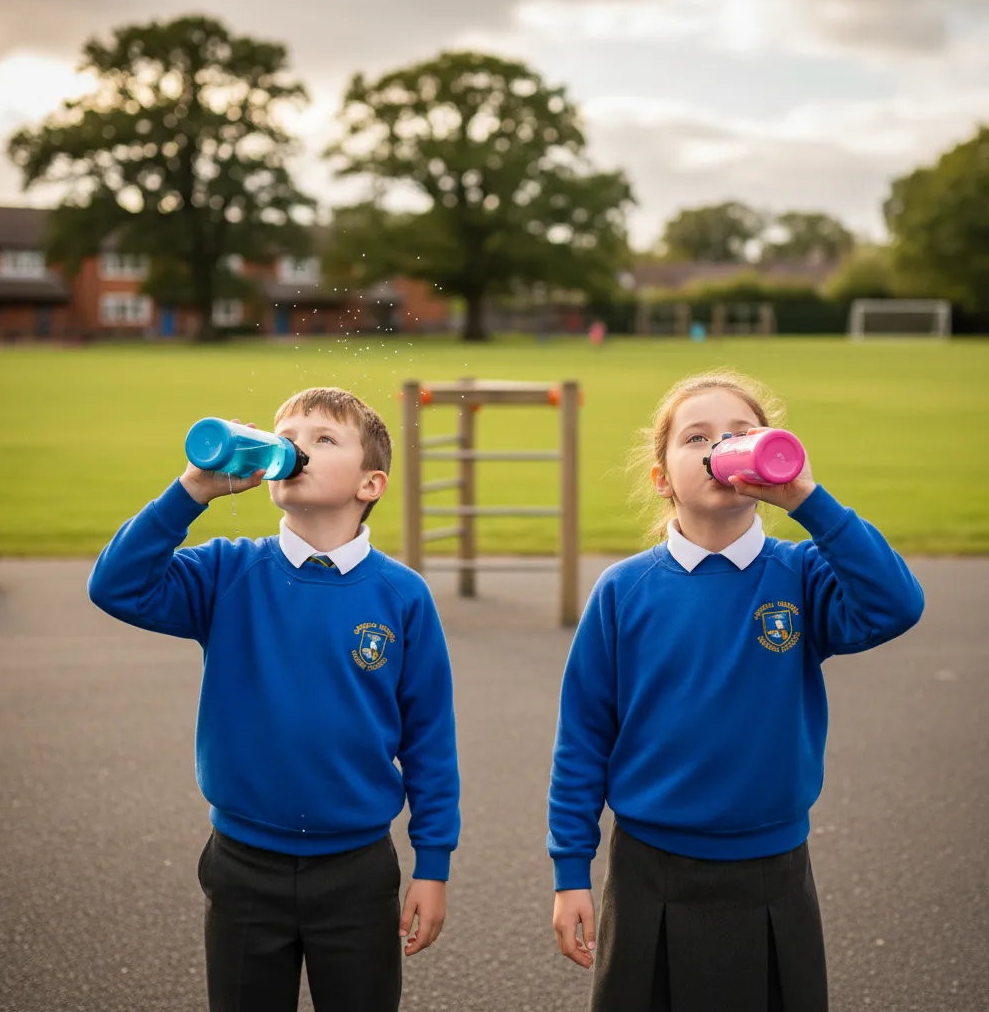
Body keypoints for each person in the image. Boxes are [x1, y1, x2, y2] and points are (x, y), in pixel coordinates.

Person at [547, 371, 924, 1012]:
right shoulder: (624, 590)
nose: (721, 445)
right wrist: (569, 873)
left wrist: (807, 499)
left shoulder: (802, 573)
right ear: (662, 478)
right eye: (697, 437)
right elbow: (583, 739)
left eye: (741, 433)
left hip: (773, 868)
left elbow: (896, 605)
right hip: (650, 868)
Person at [89, 387, 460, 1012]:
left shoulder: (402, 595)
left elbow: (429, 739)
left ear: (371, 484)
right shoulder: (227, 572)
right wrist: (191, 491)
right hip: (242, 863)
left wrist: (433, 864)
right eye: (287, 435)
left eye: (323, 438)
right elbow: (116, 586)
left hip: (357, 867)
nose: (295, 447)